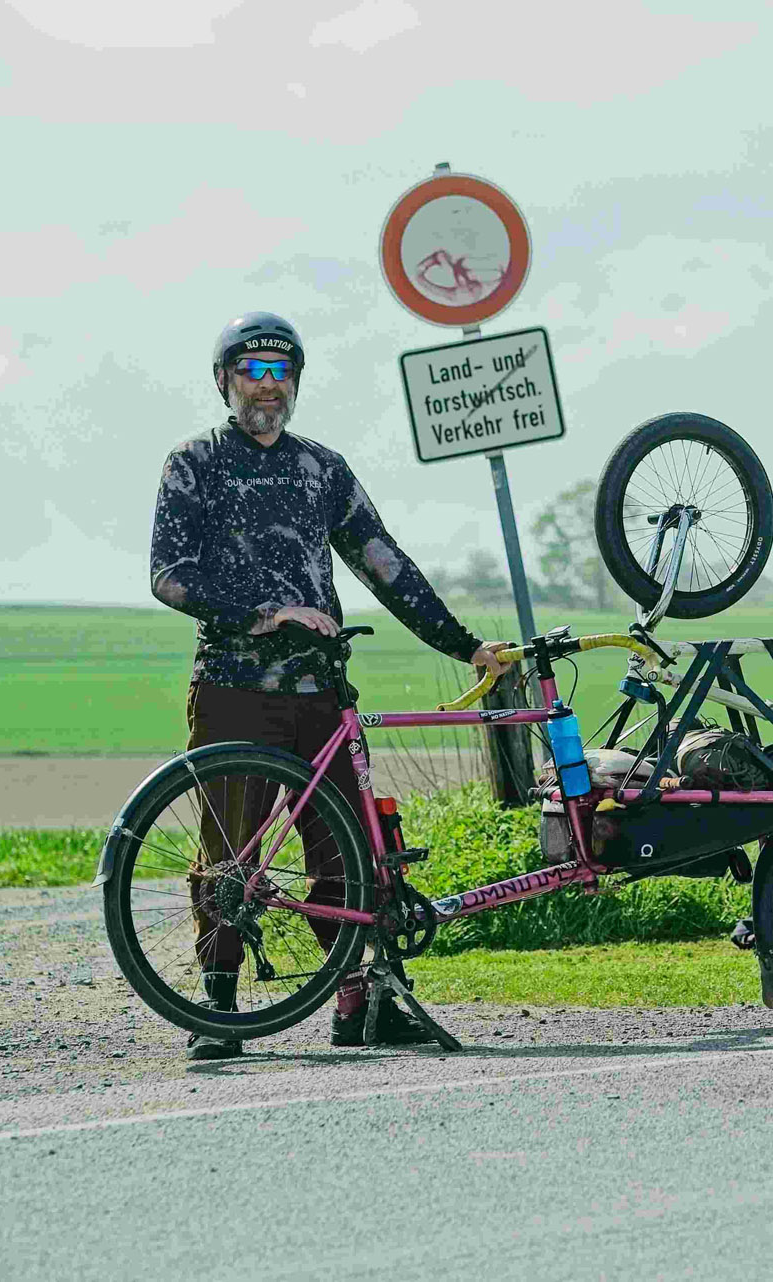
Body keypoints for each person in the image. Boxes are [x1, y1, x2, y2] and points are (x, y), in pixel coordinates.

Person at [151, 311, 511, 1060]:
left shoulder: (324, 469)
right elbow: (169, 575)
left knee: (347, 854)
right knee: (229, 854)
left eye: (283, 372)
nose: (269, 386)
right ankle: (218, 1011)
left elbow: (385, 563)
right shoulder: (194, 462)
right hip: (234, 689)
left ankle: (361, 1005)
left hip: (321, 693)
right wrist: (262, 616)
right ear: (224, 381)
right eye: (252, 371)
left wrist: (466, 645)